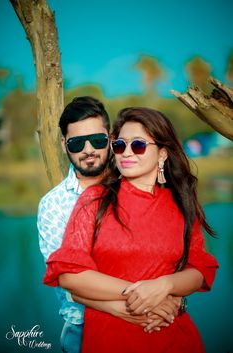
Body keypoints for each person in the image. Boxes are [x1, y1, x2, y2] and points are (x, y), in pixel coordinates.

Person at [44, 106, 219, 353]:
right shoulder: (94, 200)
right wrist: (141, 295)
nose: (126, 153)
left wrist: (165, 286)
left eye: (138, 145)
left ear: (162, 154)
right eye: (120, 145)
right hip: (110, 338)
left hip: (173, 336)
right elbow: (70, 275)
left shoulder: (182, 204)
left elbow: (199, 269)